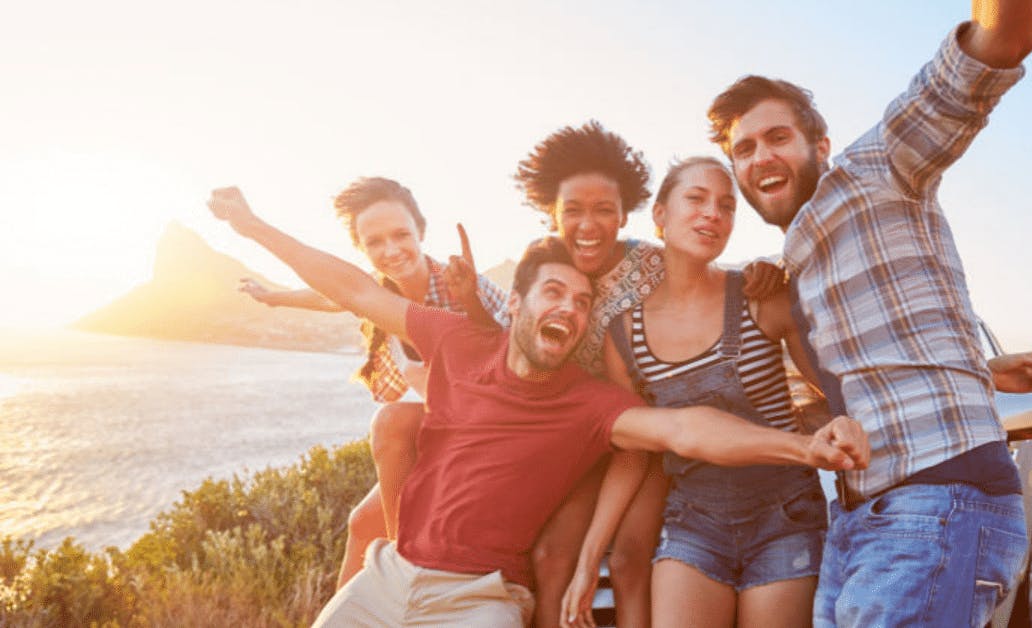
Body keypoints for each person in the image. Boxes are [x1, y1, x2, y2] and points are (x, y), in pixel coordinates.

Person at [206, 189, 870, 626]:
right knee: (393, 427)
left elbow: (686, 429)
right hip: (389, 577)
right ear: (516, 303)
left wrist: (804, 448)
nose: (570, 310)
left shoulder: (587, 403)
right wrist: (252, 224)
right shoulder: (456, 340)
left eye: (582, 304)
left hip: (479, 602)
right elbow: (352, 288)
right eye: (554, 293)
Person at [705, 1, 1032, 625]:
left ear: (820, 144)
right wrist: (982, 369)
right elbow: (866, 381)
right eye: (743, 149)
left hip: (939, 501)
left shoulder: (878, 168)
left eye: (777, 137)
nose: (760, 156)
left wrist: (1001, 24)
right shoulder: (789, 268)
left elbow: (992, 48)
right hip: (855, 521)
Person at [514, 121, 785, 627]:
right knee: (551, 556)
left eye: (604, 210)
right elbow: (509, 332)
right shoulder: (546, 269)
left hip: (655, 435)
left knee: (627, 557)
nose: (589, 225)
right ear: (551, 212)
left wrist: (762, 271)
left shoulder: (653, 263)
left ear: (626, 213)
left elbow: (709, 279)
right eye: (573, 210)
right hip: (590, 440)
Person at [560, 157, 831, 628]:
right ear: (660, 215)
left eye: (726, 206)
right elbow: (633, 452)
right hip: (693, 521)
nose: (713, 214)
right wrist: (586, 563)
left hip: (784, 514)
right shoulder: (624, 335)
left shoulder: (761, 295)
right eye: (696, 199)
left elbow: (838, 386)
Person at [238, 177, 510, 588]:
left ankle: (405, 572)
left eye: (401, 235)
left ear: (420, 232)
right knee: (363, 523)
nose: (391, 250)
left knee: (393, 422)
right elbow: (331, 296)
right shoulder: (377, 290)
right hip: (446, 426)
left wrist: (471, 303)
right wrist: (273, 297)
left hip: (496, 431)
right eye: (375, 242)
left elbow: (518, 359)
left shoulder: (463, 286)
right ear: (362, 249)